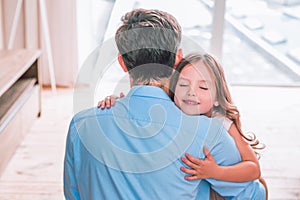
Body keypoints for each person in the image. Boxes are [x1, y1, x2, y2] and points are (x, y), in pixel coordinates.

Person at [64, 8, 266, 199]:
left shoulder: (81, 124)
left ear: (122, 62)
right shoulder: (208, 133)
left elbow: (74, 194)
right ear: (178, 58)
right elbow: (253, 195)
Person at [99, 53, 268, 199]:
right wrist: (117, 101)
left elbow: (254, 169)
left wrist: (215, 172)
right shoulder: (173, 110)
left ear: (217, 98)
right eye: (183, 85)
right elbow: (143, 104)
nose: (191, 92)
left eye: (203, 87)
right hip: (206, 187)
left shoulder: (222, 121)